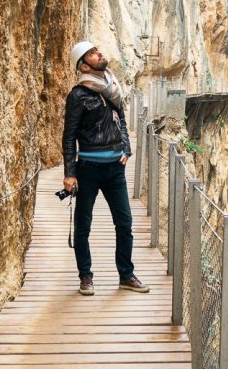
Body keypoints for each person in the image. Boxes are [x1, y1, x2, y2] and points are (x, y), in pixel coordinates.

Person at [62, 40, 150, 296]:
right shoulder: (77, 95)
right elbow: (69, 136)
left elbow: (121, 119)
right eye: (91, 53)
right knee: (83, 226)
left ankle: (126, 275)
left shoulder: (111, 87)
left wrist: (126, 148)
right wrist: (69, 174)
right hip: (88, 168)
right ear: (84, 65)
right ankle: (85, 276)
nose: (98, 54)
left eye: (96, 50)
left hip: (115, 169)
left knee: (125, 223)